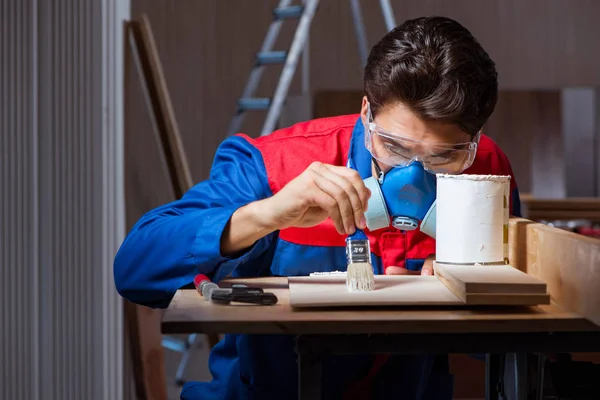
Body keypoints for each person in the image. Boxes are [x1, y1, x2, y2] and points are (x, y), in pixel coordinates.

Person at [115, 16, 522, 400]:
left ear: (472, 140)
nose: (413, 176)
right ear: (367, 114)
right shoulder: (275, 164)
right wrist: (267, 213)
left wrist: (473, 291)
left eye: (442, 156)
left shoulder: (483, 174)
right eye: (394, 147)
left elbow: (508, 346)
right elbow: (135, 269)